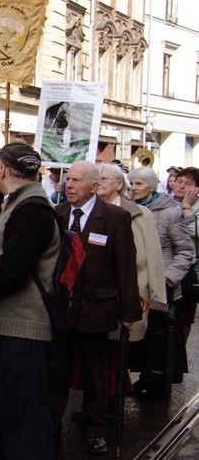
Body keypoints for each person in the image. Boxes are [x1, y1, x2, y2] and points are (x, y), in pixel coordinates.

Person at [0, 142, 59, 459]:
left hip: (23, 333)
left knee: (24, 423)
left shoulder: (31, 208)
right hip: (11, 329)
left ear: (2, 170)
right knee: (9, 418)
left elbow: (14, 270)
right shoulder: (21, 203)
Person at [50, 161, 141, 456]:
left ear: (94, 185)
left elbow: (125, 268)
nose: (69, 185)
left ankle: (96, 428)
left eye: (76, 180)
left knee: (95, 372)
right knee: (56, 370)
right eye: (67, 179)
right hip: (61, 309)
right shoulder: (58, 214)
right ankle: (51, 427)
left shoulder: (114, 217)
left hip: (95, 307)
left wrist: (129, 313)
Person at [90, 164, 165, 411]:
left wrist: (157, 299)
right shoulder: (88, 210)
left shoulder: (140, 214)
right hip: (96, 297)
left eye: (103, 178)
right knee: (94, 354)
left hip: (129, 294)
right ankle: (96, 402)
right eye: (96, 178)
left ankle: (113, 402)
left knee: (117, 354)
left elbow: (153, 258)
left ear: (118, 184)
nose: (98, 182)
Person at [128, 166, 194, 397]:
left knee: (156, 338)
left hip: (160, 285)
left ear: (152, 186)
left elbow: (186, 251)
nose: (133, 188)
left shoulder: (170, 213)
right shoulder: (127, 208)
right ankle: (133, 379)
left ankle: (154, 380)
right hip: (135, 282)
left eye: (139, 184)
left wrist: (167, 277)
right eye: (132, 183)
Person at [174, 166, 199, 343]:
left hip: (190, 267)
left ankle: (178, 358)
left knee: (184, 317)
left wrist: (187, 207)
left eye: (187, 183)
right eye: (179, 181)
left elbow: (195, 230)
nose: (181, 186)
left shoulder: (194, 206)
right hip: (169, 263)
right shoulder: (166, 201)